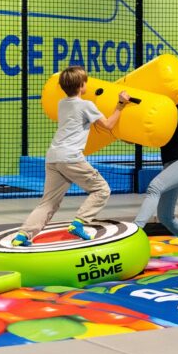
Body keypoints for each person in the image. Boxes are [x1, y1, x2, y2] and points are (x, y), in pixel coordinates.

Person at [12, 66, 130, 246]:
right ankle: (79, 222)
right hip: (71, 157)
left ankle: (22, 236)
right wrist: (121, 104)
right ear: (82, 85)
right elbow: (108, 125)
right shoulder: (86, 105)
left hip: (53, 157)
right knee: (101, 189)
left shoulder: (62, 103)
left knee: (48, 203)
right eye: (85, 82)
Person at [134, 97, 178, 249]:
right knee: (165, 216)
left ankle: (136, 230)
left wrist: (177, 92)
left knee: (154, 187)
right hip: (171, 164)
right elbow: (138, 135)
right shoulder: (159, 108)